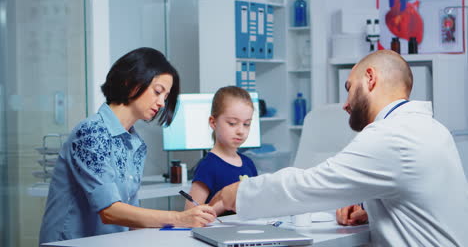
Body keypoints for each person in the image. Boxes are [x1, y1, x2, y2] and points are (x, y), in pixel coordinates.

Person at [209, 50, 468, 246]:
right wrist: (369, 210)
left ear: (370, 79)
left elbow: (311, 185)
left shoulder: (391, 135)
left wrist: (242, 192)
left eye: (349, 88)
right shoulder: (430, 129)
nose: (345, 104)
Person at [39, 48, 216, 244]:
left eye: (165, 97)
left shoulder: (135, 144)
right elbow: (110, 211)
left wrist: (181, 228)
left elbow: (132, 218)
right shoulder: (91, 132)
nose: (162, 103)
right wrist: (179, 218)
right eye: (158, 92)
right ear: (130, 82)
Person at [185, 86, 258, 215]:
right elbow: (190, 213)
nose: (241, 131)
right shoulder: (208, 166)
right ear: (213, 122)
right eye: (232, 123)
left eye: (246, 124)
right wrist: (225, 203)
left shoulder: (248, 164)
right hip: (218, 233)